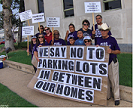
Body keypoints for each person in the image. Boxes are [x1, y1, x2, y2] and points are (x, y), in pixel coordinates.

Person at [96, 23, 121, 106]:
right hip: (103, 64)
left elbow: (119, 51)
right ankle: (108, 96)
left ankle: (116, 97)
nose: (103, 32)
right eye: (102, 30)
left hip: (111, 62)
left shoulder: (112, 39)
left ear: (108, 31)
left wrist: (112, 51)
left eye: (105, 30)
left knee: (114, 80)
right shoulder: (98, 40)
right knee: (105, 81)